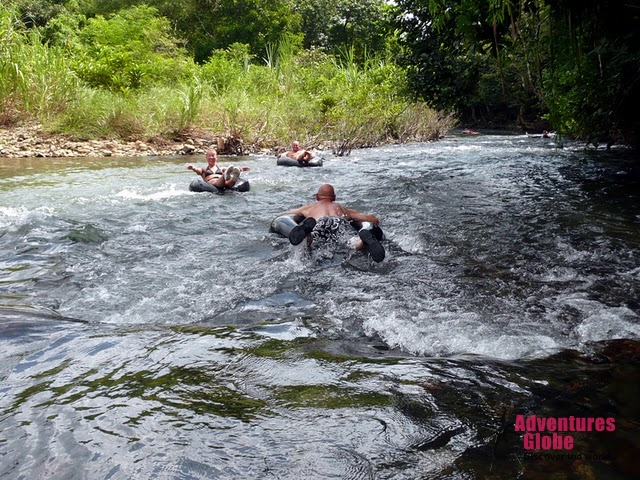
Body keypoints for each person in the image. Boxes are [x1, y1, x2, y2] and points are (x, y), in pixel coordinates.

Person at [276, 184, 385, 262]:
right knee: (349, 243)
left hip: (319, 222)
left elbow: (284, 215)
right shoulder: (341, 208)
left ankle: (307, 236)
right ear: (334, 198)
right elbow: (373, 220)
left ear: (317, 197)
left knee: (313, 242)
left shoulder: (310, 207)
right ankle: (362, 242)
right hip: (339, 222)